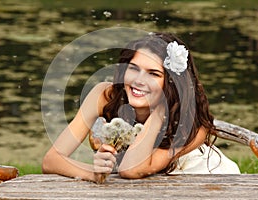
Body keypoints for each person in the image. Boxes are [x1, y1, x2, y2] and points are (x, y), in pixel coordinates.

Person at [42, 32, 240, 183]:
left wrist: (160, 112)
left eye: (153, 74)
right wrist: (93, 173)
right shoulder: (104, 95)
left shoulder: (193, 125)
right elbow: (51, 160)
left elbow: (131, 169)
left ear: (171, 83)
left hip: (202, 183)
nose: (139, 81)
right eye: (134, 68)